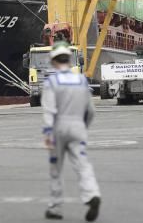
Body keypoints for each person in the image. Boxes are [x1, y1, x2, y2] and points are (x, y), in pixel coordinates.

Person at [41, 41, 101, 221]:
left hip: (58, 127)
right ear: (69, 58)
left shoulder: (52, 81)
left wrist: (47, 133)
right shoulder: (81, 80)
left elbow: (49, 110)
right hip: (78, 126)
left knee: (56, 168)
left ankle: (56, 207)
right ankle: (91, 195)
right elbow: (91, 111)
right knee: (82, 164)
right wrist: (83, 127)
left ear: (53, 61)